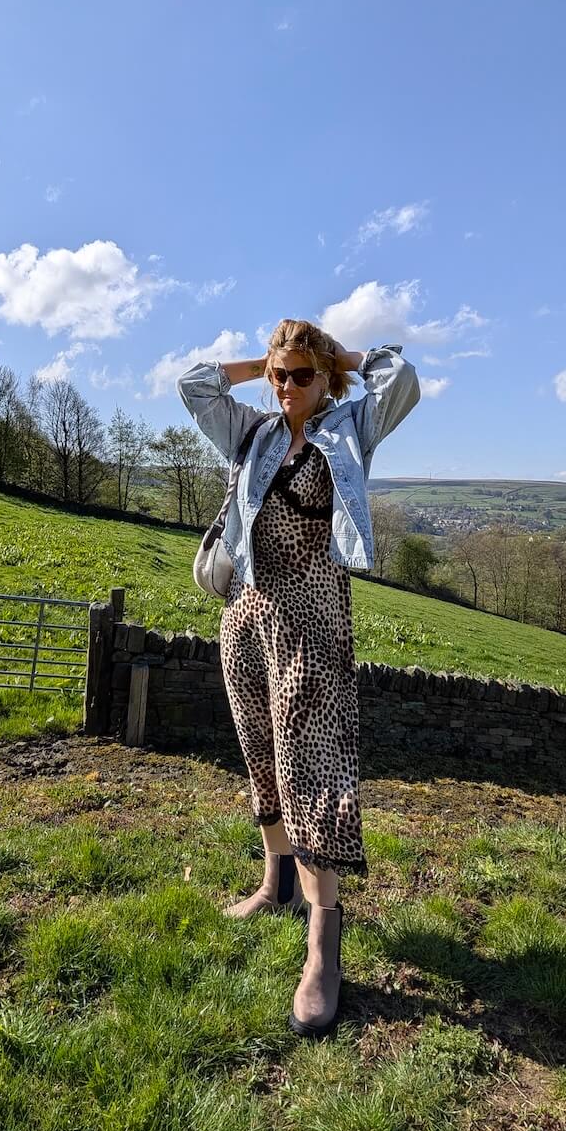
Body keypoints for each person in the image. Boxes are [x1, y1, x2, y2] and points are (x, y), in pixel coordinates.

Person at [176, 319, 421, 1037]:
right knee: (261, 754)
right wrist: (264, 363)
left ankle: (323, 942)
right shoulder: (251, 433)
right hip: (247, 614)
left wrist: (336, 358)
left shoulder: (350, 429)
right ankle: (275, 882)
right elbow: (193, 386)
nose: (286, 387)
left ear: (326, 377)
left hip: (312, 622)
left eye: (300, 376)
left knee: (309, 768)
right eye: (280, 375)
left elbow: (401, 380)